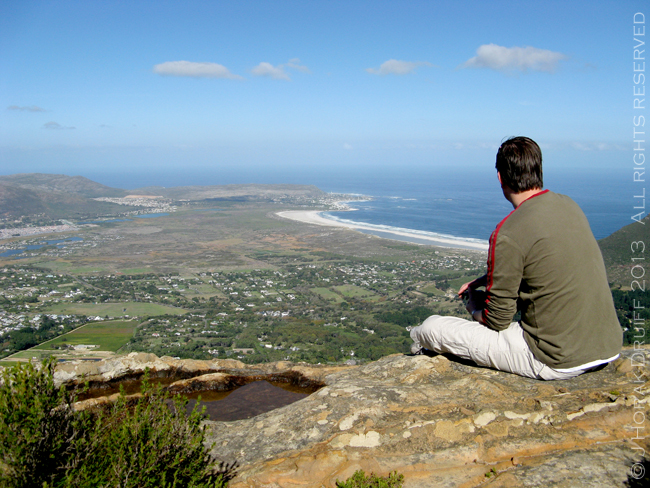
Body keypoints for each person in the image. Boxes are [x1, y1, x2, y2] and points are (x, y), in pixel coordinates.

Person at [410, 136, 622, 380]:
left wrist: (474, 309)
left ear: (500, 177)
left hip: (553, 358)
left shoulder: (508, 232)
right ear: (538, 170)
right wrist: (486, 279)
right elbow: (545, 265)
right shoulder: (569, 205)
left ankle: (420, 351)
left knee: (431, 327)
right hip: (607, 347)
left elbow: (497, 320)